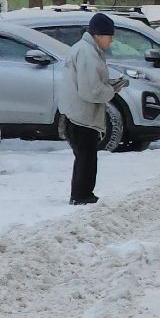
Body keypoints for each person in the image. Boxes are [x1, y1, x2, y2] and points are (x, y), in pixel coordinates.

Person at [63, 12, 126, 205]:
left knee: (85, 157)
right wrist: (111, 91)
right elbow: (91, 90)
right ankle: (81, 196)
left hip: (77, 113)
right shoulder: (87, 53)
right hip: (81, 116)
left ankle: (82, 194)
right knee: (86, 158)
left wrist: (108, 86)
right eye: (109, 36)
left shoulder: (85, 49)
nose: (111, 41)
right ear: (98, 35)